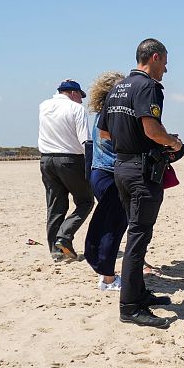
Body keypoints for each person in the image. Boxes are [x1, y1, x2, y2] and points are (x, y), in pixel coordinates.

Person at [99, 39, 184, 328]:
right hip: (140, 171)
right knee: (138, 237)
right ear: (155, 57)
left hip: (121, 167)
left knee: (137, 232)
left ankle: (139, 293)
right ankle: (129, 307)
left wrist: (130, 138)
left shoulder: (117, 88)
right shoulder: (148, 87)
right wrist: (172, 142)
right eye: (165, 63)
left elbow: (104, 133)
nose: (166, 70)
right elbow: (151, 129)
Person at [81, 71, 127, 292]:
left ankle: (107, 273)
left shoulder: (102, 112)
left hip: (100, 174)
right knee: (113, 227)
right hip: (109, 175)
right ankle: (107, 279)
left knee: (114, 224)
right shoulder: (111, 114)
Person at [38, 79, 93, 261]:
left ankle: (56, 252)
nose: (81, 100)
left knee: (55, 206)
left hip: (46, 160)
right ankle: (64, 236)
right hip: (70, 160)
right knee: (85, 201)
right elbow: (85, 140)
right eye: (80, 96)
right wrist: (90, 166)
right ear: (73, 93)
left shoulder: (44, 106)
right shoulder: (76, 108)